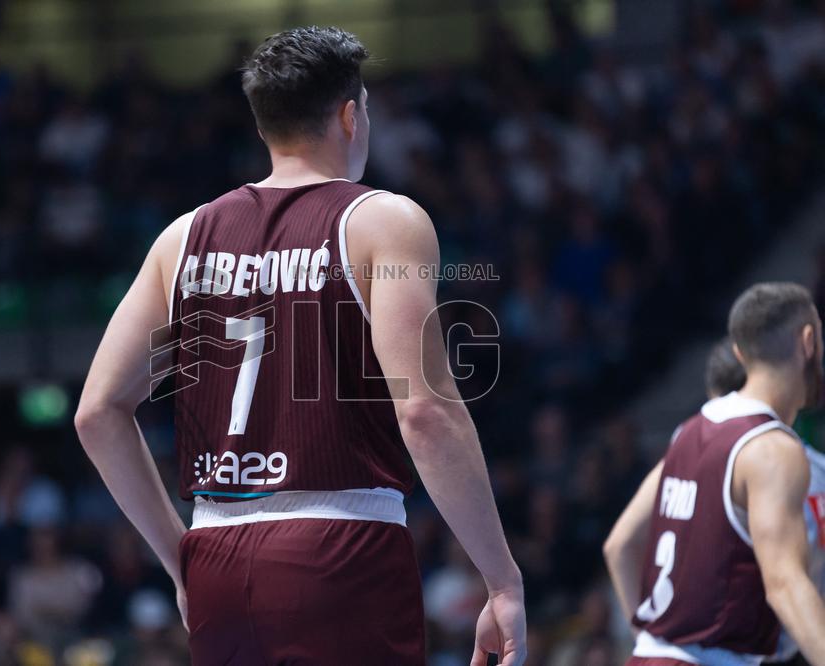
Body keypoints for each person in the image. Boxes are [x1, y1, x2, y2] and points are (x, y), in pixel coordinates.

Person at [74, 26, 525, 666]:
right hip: (341, 551)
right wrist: (502, 579)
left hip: (218, 559)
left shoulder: (182, 237)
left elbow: (97, 413)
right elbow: (426, 411)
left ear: (264, 127)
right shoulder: (383, 220)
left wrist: (182, 561)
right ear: (350, 115)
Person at [603, 283, 825, 666]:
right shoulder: (774, 449)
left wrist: (649, 639)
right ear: (808, 342)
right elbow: (785, 584)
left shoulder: (687, 431)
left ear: (739, 352)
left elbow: (619, 545)